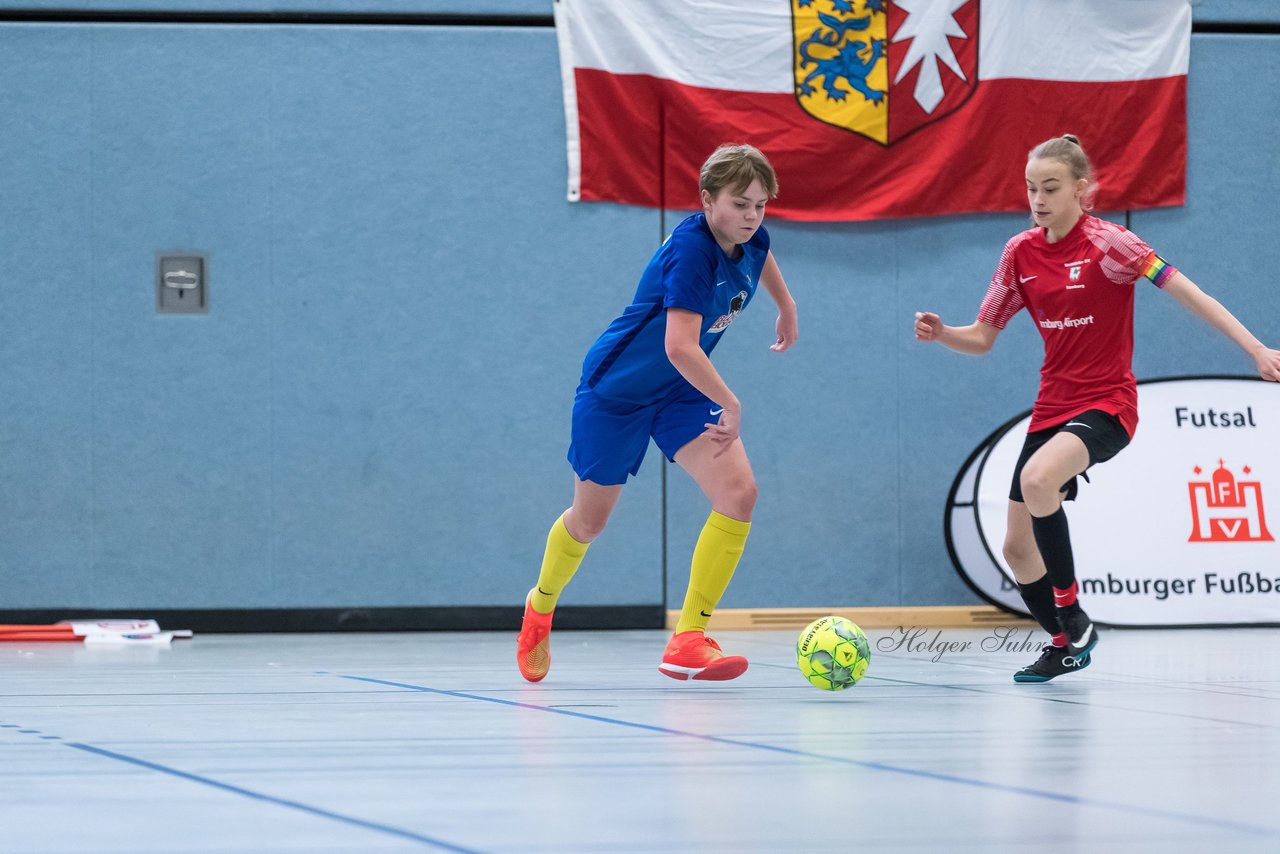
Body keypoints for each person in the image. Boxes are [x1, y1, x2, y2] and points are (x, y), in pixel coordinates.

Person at [914, 134, 1280, 683]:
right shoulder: (1020, 253)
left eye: (1051, 187)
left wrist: (1256, 348)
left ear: (1082, 191)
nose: (1038, 199)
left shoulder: (1113, 245)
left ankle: (1074, 615)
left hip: (1108, 404)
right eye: (1031, 188)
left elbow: (1190, 293)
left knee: (1038, 480)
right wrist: (944, 333)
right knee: (1016, 548)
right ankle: (1064, 644)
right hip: (1051, 407)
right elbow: (984, 337)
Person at [517, 143, 799, 683]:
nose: (751, 217)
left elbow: (763, 254)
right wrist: (733, 402)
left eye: (761, 205)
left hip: (682, 394)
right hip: (616, 394)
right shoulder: (692, 251)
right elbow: (679, 346)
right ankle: (540, 607)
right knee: (590, 521)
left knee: (739, 493)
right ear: (707, 200)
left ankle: (689, 637)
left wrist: (785, 304)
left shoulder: (750, 236)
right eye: (739, 204)